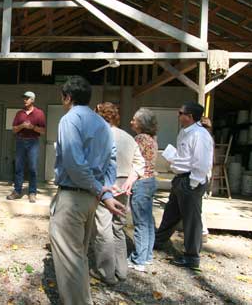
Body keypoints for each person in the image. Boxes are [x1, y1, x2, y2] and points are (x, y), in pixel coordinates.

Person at [50, 76, 126, 305]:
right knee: (79, 256)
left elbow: (75, 164)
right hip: (91, 198)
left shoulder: (69, 119)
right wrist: (105, 192)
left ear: (68, 97)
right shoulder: (103, 124)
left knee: (69, 259)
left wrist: (101, 192)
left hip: (74, 195)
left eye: (63, 98)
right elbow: (111, 161)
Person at [155, 102, 214, 269]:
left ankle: (192, 257)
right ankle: (158, 242)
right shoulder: (184, 132)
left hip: (190, 180)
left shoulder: (200, 135)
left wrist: (193, 183)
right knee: (171, 212)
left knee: (191, 220)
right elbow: (185, 157)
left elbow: (202, 162)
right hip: (181, 178)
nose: (178, 115)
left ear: (190, 117)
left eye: (180, 113)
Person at [91, 102, 145, 284]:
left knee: (103, 229)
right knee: (118, 228)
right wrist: (130, 181)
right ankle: (121, 270)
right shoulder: (128, 137)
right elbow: (140, 164)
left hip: (105, 187)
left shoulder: (99, 136)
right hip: (124, 186)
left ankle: (105, 272)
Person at [127, 108, 159, 272]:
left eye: (134, 119)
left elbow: (134, 161)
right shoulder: (152, 138)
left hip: (141, 181)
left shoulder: (139, 138)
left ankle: (138, 258)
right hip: (151, 180)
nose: (131, 122)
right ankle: (147, 256)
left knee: (140, 222)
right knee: (148, 221)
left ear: (141, 123)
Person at [6, 91, 46, 203]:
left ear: (32, 100)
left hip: (33, 142)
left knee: (32, 168)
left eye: (27, 98)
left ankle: (32, 192)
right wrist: (22, 125)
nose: (25, 100)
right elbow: (14, 130)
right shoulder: (20, 113)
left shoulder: (39, 113)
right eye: (24, 98)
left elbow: (42, 131)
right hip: (20, 141)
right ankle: (17, 191)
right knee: (19, 167)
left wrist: (32, 127)